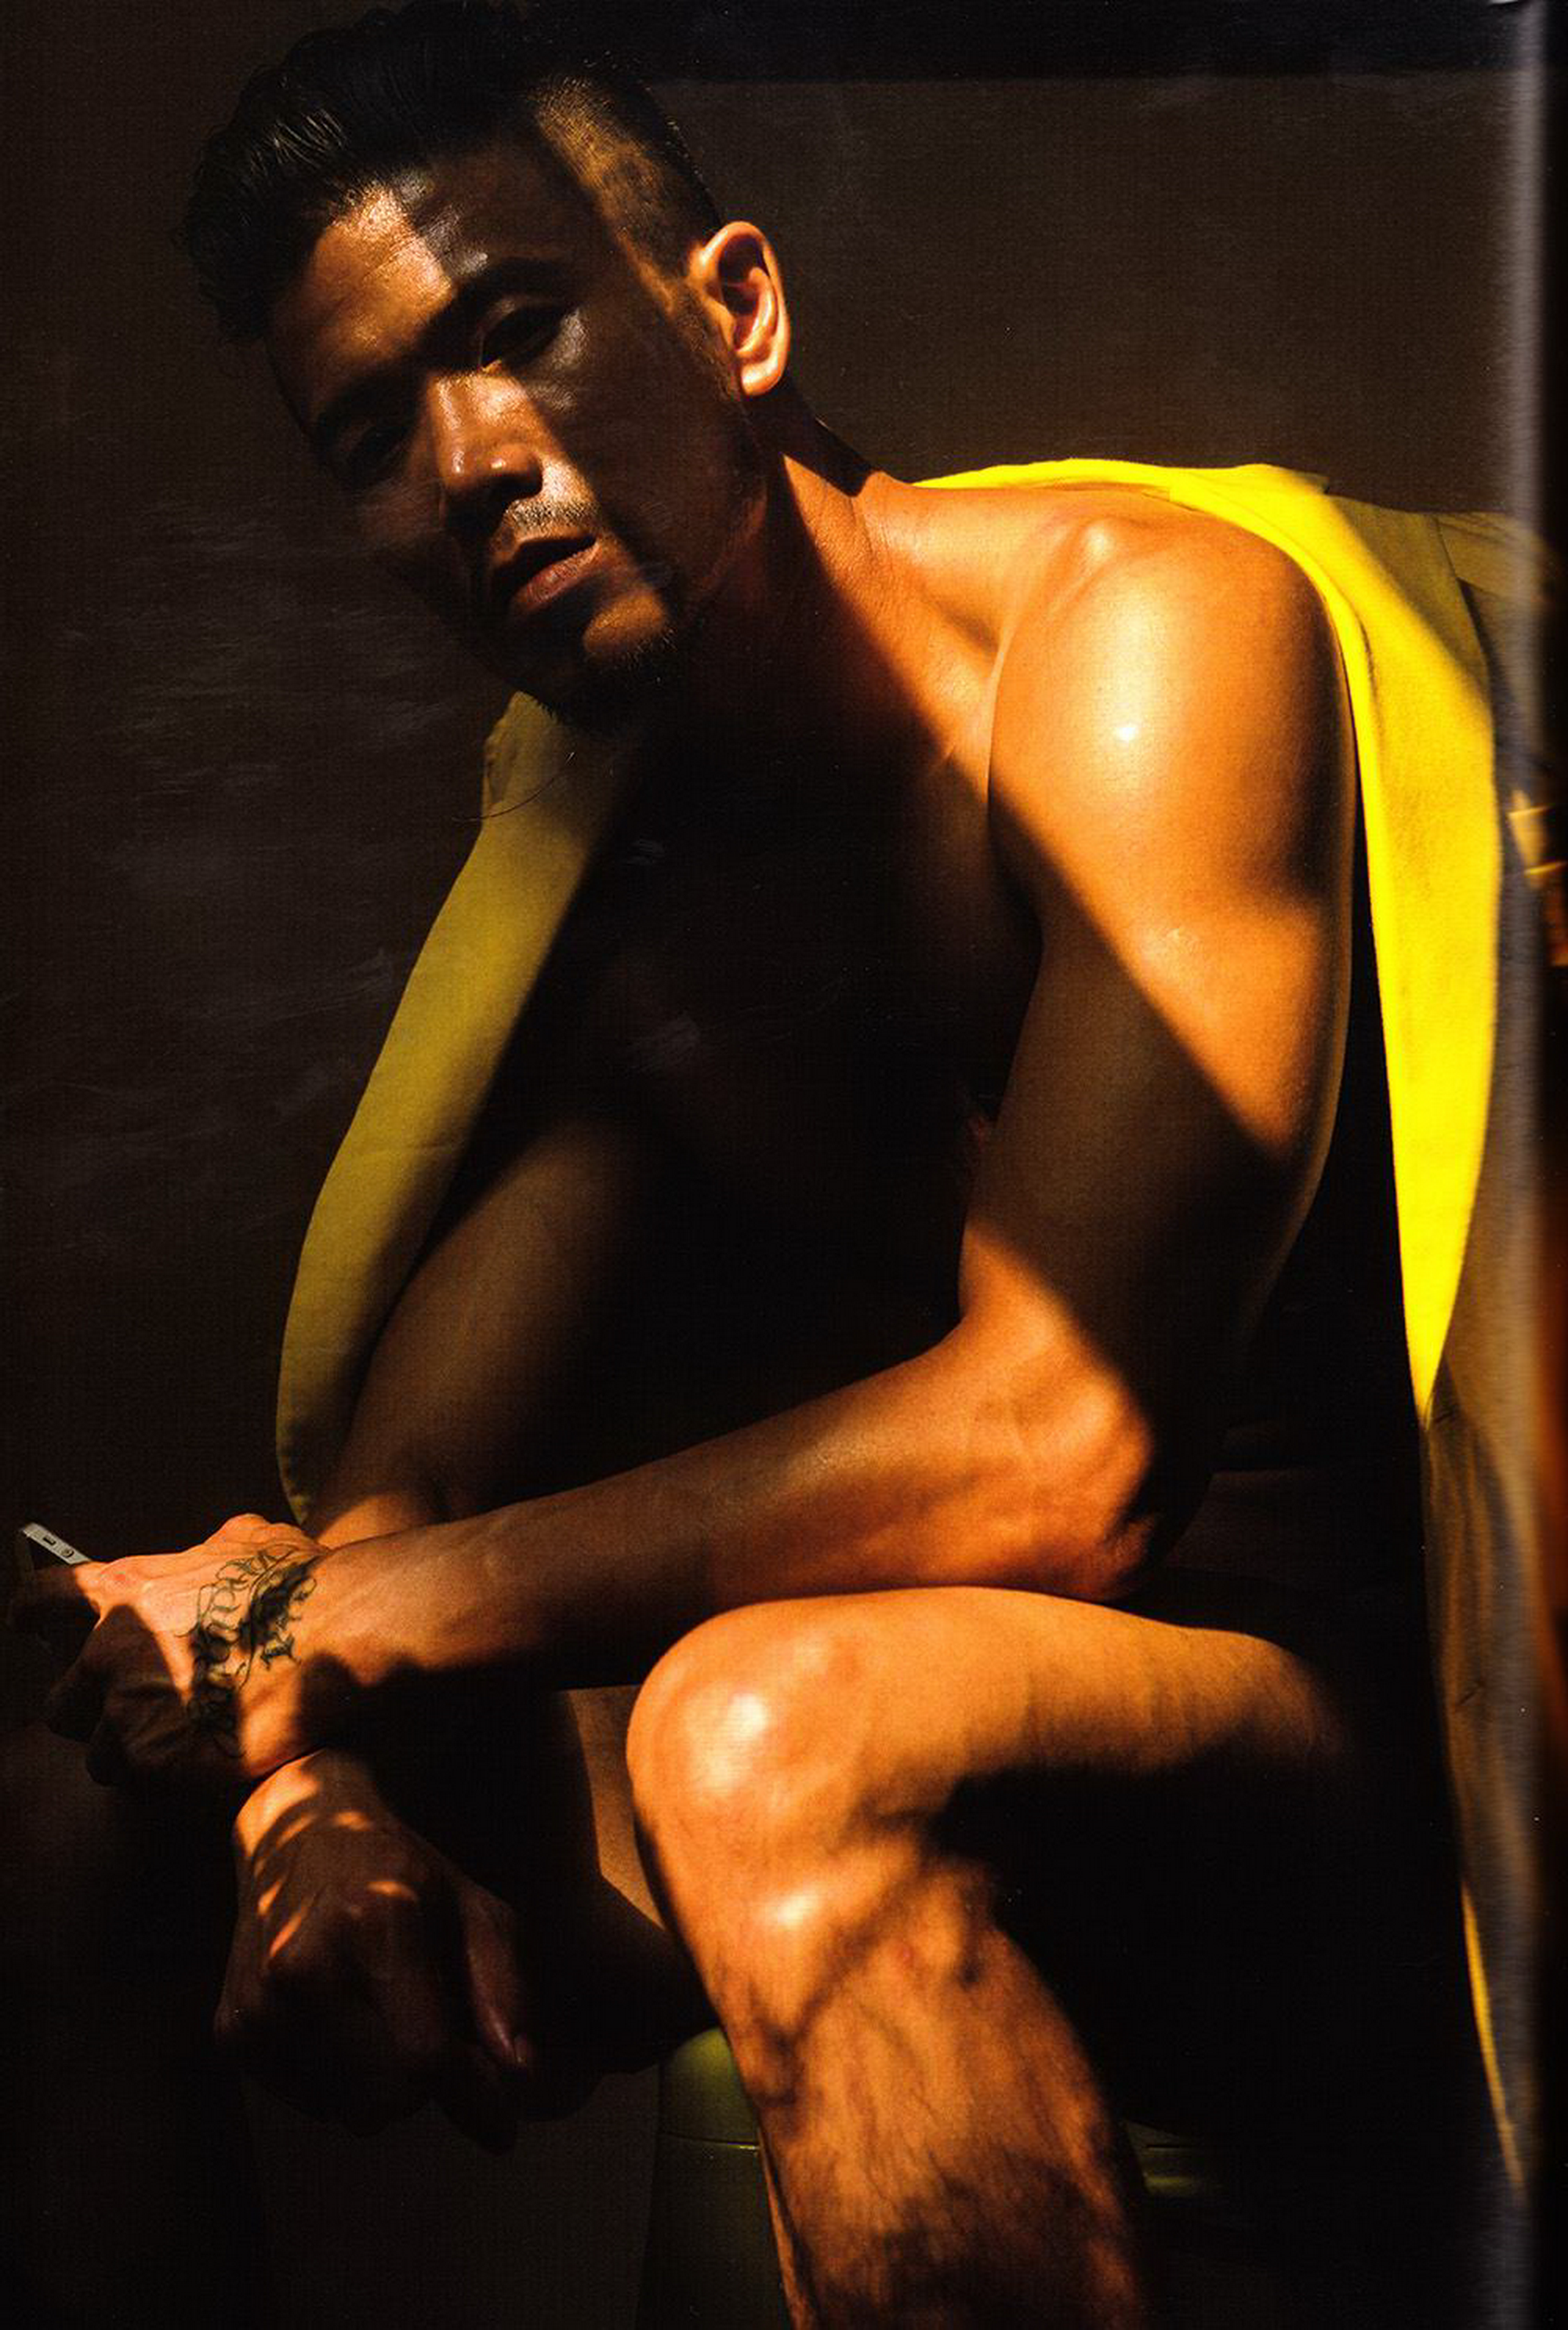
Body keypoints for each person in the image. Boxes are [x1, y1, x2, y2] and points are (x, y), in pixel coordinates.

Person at [9, 5, 1530, 2323]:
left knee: (761, 1723)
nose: (472, 463)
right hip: (918, 1741)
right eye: (374, 438)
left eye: (512, 332)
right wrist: (305, 1778)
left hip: (1336, 1778)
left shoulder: (1134, 641)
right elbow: (414, 1486)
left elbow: (1072, 1446)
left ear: (733, 310)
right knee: (56, 1822)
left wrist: (319, 1629)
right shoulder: (620, 889)